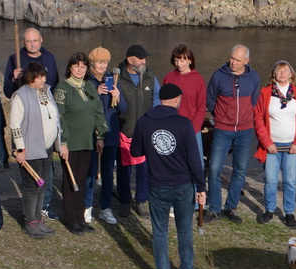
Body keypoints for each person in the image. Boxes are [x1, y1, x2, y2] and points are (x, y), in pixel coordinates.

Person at [131, 83, 206, 269]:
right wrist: (201, 186)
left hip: (158, 184)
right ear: (177, 99)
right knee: (184, 230)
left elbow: (135, 151)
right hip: (183, 185)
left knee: (160, 232)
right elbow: (194, 159)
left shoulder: (144, 122)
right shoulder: (184, 124)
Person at [2, 27, 60, 219]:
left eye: (35, 40)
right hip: (30, 128)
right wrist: (14, 78)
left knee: (47, 174)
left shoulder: (49, 58)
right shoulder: (15, 59)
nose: (32, 44)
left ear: (41, 40)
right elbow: (9, 92)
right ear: (23, 42)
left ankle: (44, 206)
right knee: (32, 182)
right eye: (28, 41)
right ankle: (31, 216)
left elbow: (54, 87)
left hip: (47, 131)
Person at [205, 44, 260, 223]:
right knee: (214, 168)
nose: (233, 62)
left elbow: (254, 101)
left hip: (244, 131)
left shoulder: (254, 77)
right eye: (232, 58)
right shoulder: (218, 76)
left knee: (240, 169)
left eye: (238, 60)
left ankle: (231, 207)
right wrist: (220, 117)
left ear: (246, 61)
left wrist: (246, 117)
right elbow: (210, 100)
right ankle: (214, 208)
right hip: (223, 130)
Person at [53, 52, 107, 235]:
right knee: (71, 180)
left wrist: (100, 136)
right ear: (70, 67)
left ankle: (81, 217)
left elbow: (98, 111)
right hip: (70, 143)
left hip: (87, 141)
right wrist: (63, 142)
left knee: (83, 180)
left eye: (83, 66)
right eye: (76, 66)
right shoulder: (62, 88)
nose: (79, 69)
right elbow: (59, 117)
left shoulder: (90, 86)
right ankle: (71, 219)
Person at [10, 62, 65, 239]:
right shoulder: (20, 96)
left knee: (42, 184)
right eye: (40, 77)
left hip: (46, 147)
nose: (44, 79)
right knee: (31, 187)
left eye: (44, 76)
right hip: (30, 149)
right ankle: (30, 221)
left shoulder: (46, 91)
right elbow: (15, 125)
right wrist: (20, 149)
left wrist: (59, 142)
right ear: (31, 78)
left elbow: (55, 118)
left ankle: (38, 217)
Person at [254, 60, 296, 229]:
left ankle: (289, 213)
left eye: (286, 70)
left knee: (290, 181)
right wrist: (267, 142)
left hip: (292, 145)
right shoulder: (265, 93)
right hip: (272, 145)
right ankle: (269, 209)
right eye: (279, 70)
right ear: (273, 74)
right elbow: (258, 118)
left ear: (291, 74)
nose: (282, 73)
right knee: (270, 180)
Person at [116, 44, 160, 218]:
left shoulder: (150, 77)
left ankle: (141, 200)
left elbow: (157, 99)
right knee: (124, 170)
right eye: (140, 58)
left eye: (144, 58)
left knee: (144, 169)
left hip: (144, 132)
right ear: (130, 60)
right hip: (124, 130)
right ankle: (124, 201)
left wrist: (154, 121)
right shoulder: (117, 77)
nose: (144, 61)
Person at [84, 47, 126, 225]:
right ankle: (87, 206)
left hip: (110, 133)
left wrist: (118, 96)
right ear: (92, 63)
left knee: (108, 173)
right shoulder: (87, 81)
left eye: (105, 62)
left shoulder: (112, 79)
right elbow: (82, 107)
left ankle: (105, 208)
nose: (102, 66)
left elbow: (122, 109)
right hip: (92, 134)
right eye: (99, 62)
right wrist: (95, 93)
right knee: (91, 172)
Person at [162, 44, 207, 161]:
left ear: (190, 60)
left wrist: (193, 129)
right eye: (176, 61)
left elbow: (201, 107)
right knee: (174, 162)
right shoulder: (169, 77)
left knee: (197, 163)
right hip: (172, 127)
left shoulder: (198, 80)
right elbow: (163, 102)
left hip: (192, 129)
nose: (179, 64)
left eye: (182, 60)